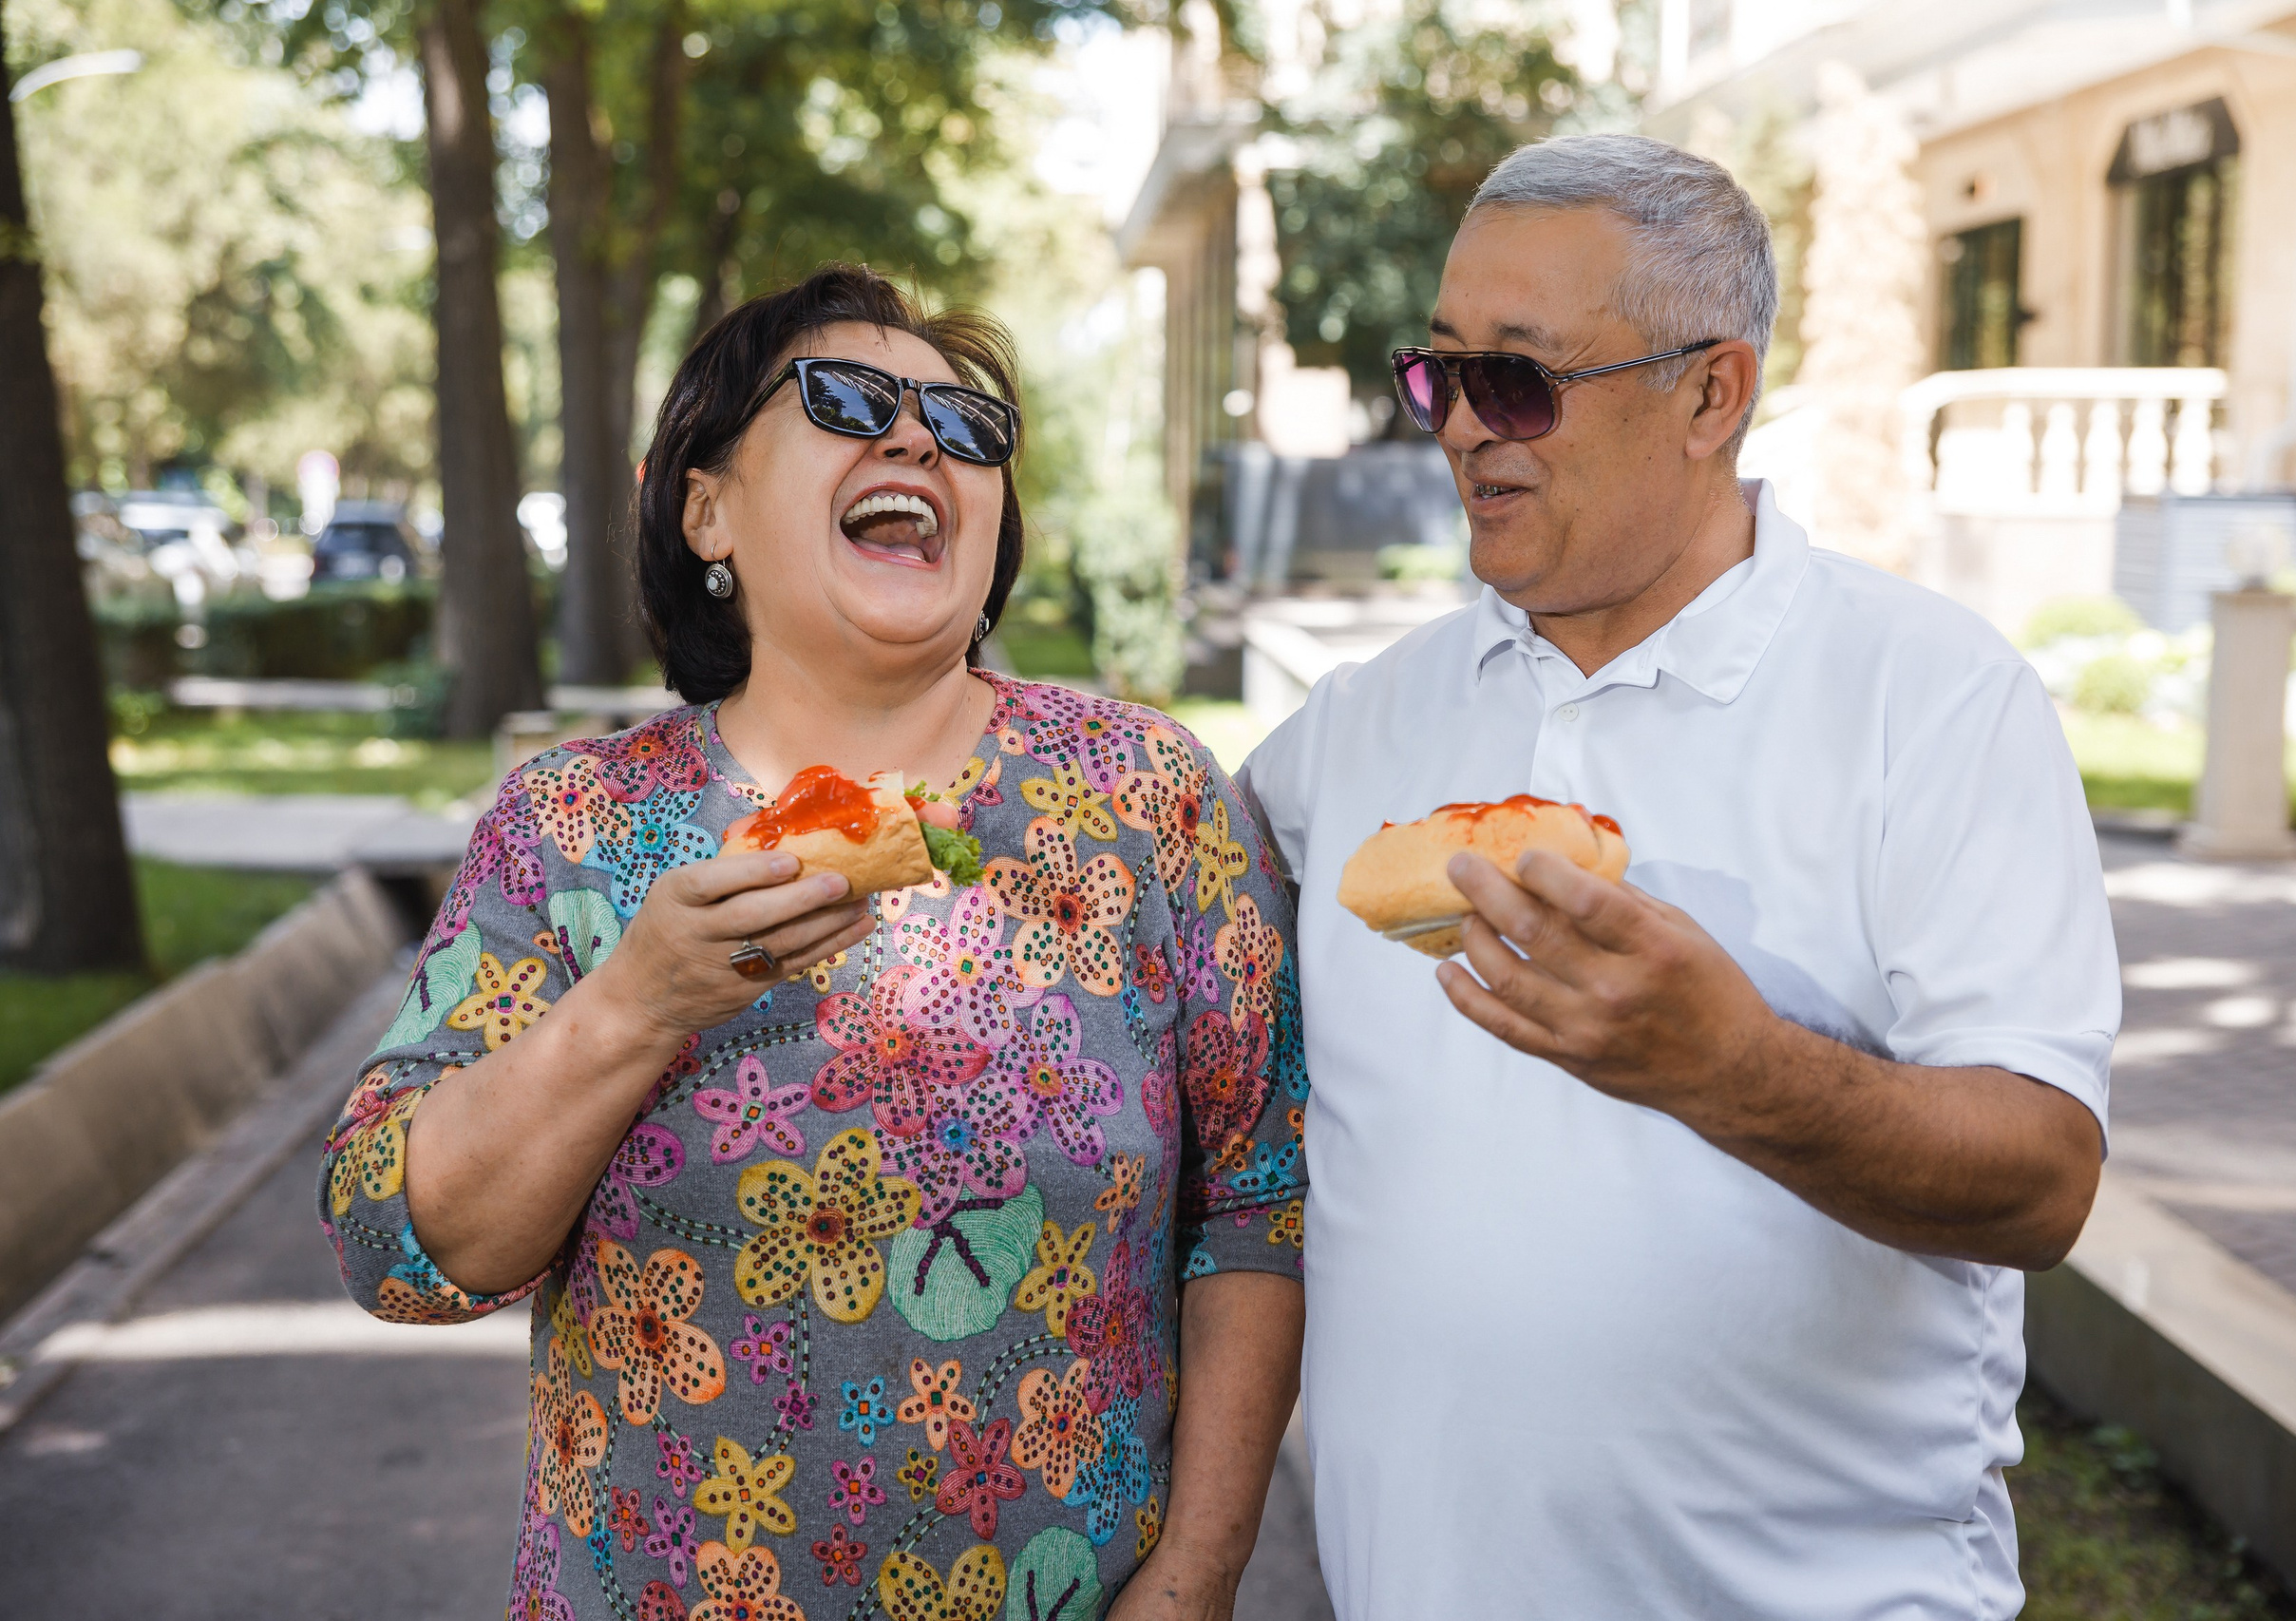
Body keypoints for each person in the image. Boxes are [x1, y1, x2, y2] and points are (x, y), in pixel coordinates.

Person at [321, 264, 1306, 1621]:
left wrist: (1196, 1580)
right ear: (705, 503)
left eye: (966, 428)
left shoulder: (1148, 797)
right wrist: (637, 1004)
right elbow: (400, 1248)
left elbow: (1258, 1206)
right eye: (851, 401)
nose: (917, 439)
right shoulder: (574, 825)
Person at [1237, 134, 2117, 1619]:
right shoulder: (1353, 727)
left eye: (1516, 378)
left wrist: (1728, 1067)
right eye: (1437, 372)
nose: (1459, 427)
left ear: (1713, 390)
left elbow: (2043, 1178)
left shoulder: (1934, 701)